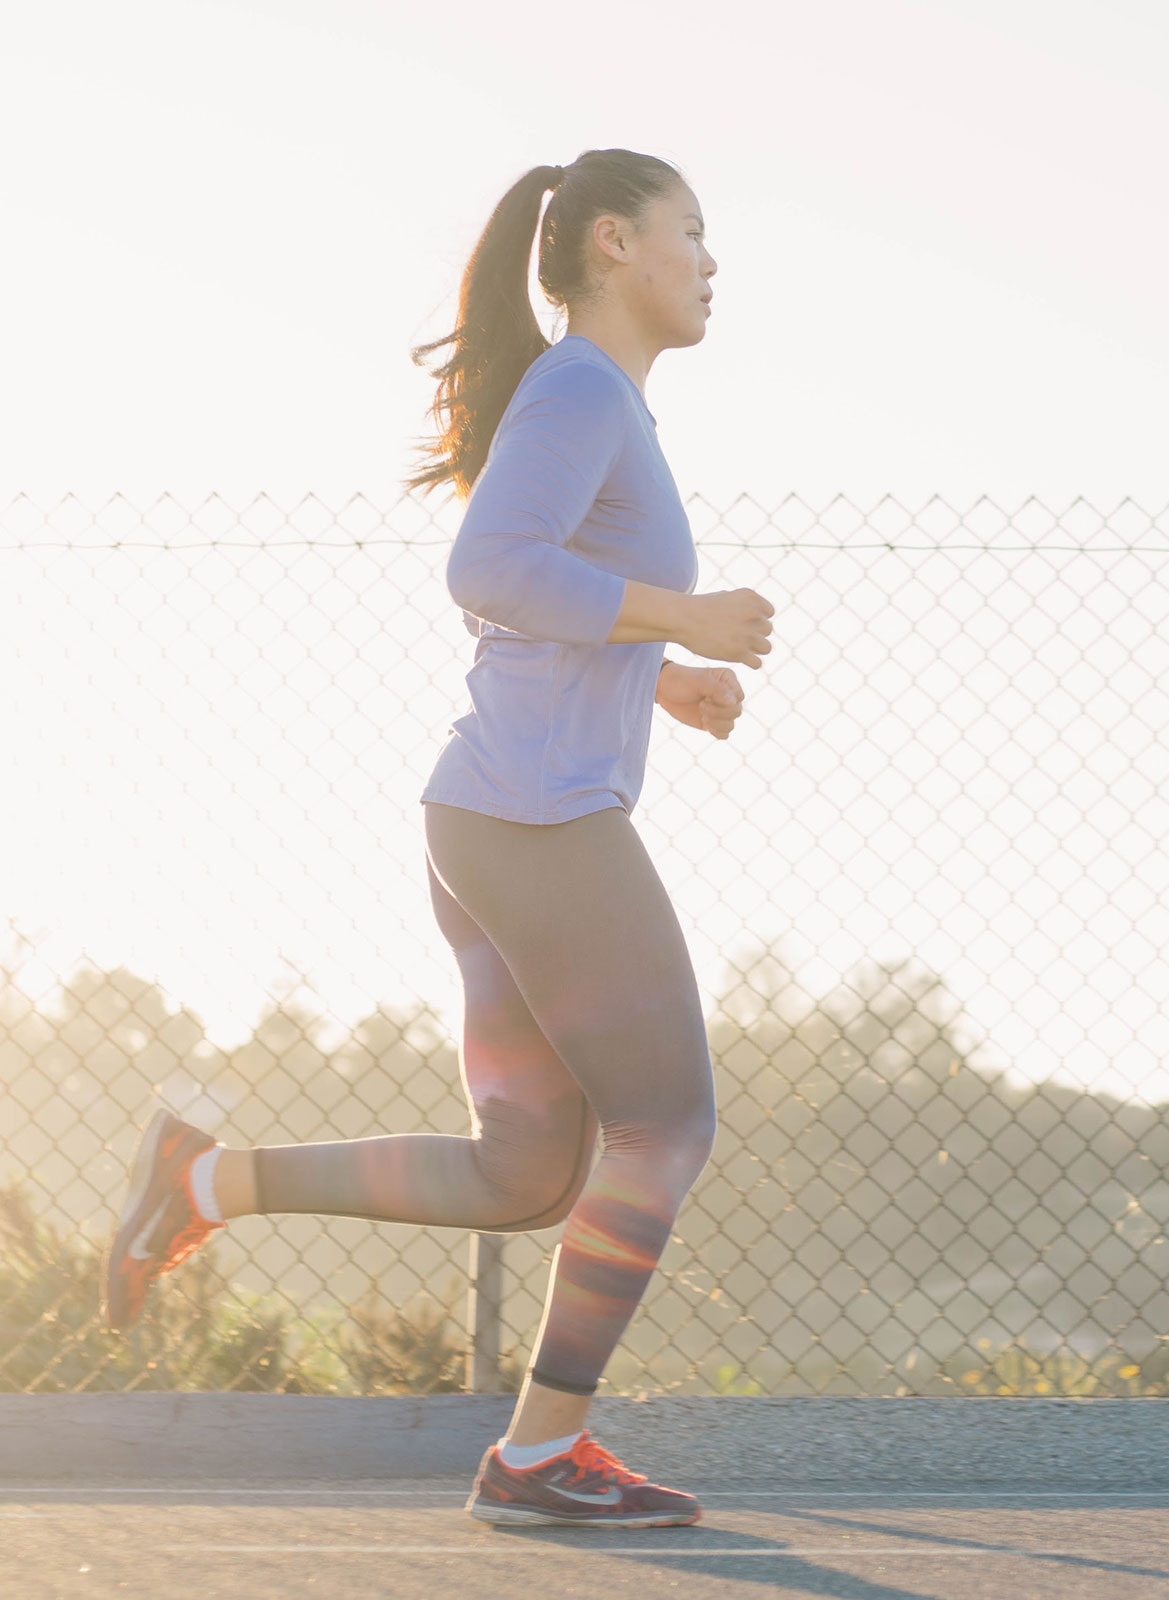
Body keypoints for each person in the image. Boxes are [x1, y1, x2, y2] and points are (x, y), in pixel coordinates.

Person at [101, 146, 774, 1528]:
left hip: (488, 818)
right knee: (666, 1122)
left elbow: (536, 597)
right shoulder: (585, 386)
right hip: (534, 822)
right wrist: (681, 616)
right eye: (690, 232)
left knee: (527, 1171)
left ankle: (201, 1179)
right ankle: (537, 1457)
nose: (712, 261)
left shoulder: (597, 402)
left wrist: (660, 673)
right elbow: (489, 570)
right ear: (609, 246)